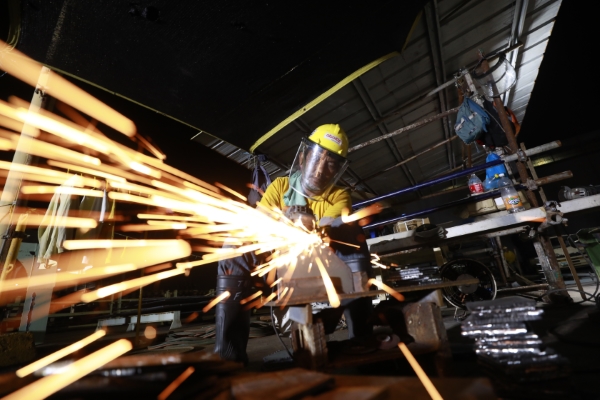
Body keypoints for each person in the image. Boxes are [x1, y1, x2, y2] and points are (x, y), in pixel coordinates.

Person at [214, 124, 373, 364]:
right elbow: (260, 227)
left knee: (351, 233)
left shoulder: (339, 196)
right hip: (277, 266)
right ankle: (229, 355)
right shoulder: (279, 187)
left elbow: (330, 231)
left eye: (330, 164)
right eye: (317, 159)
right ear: (303, 156)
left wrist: (314, 230)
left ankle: (360, 339)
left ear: (337, 170)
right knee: (234, 246)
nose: (320, 170)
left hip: (322, 265)